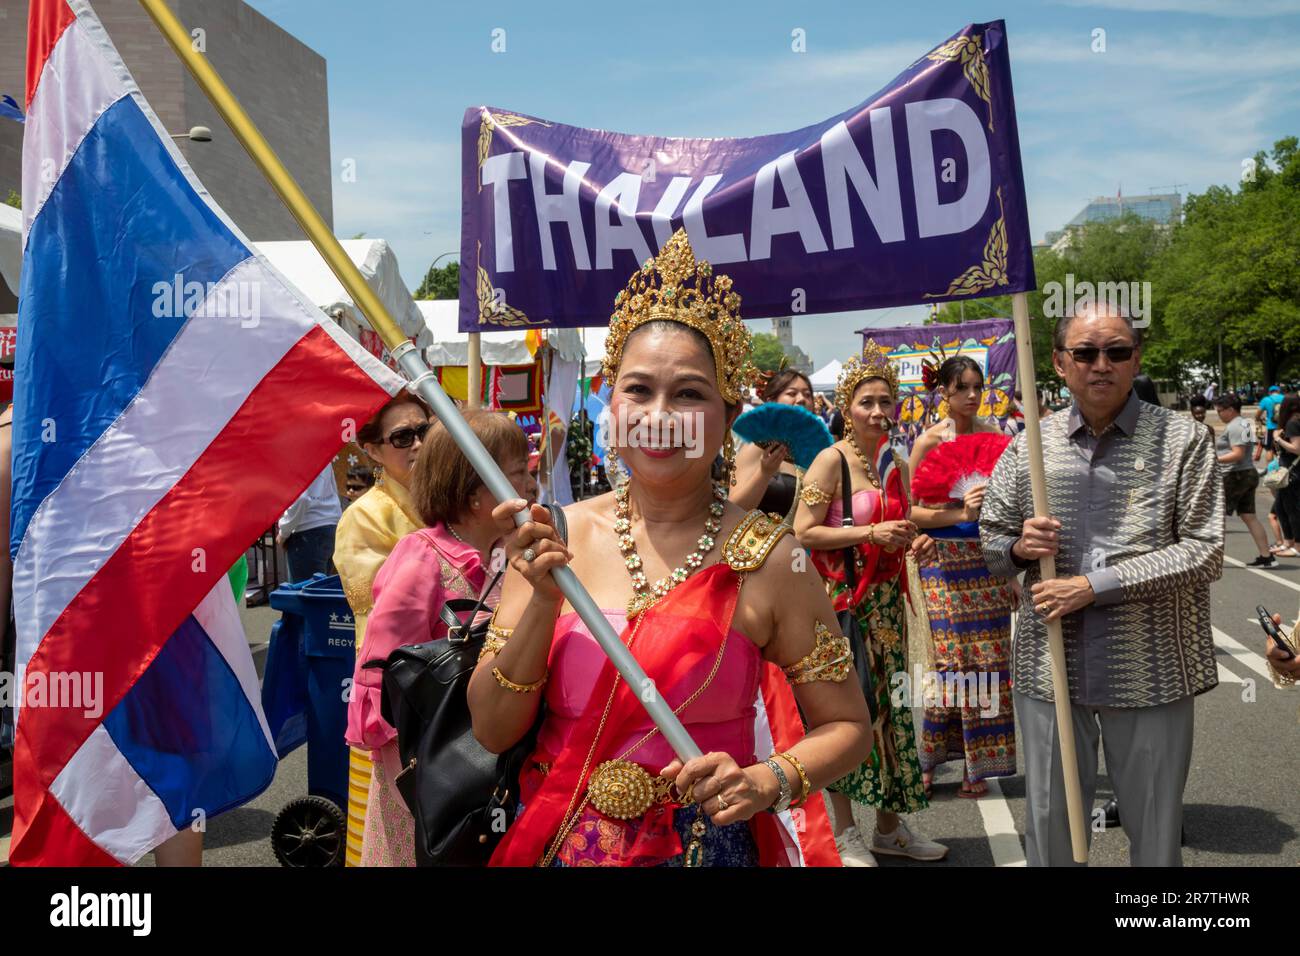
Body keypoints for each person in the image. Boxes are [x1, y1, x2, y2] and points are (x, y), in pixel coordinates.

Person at [470, 230, 871, 867]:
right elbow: (493, 729)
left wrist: (766, 780)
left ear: (726, 413)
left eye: (688, 393)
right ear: (612, 406)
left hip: (706, 848)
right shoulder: (552, 539)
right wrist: (543, 603)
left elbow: (848, 729)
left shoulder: (770, 557)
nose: (660, 414)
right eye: (637, 390)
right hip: (556, 838)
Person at [980, 303, 1223, 867]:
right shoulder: (1029, 446)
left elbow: (1205, 551)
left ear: (1136, 360)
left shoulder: (1182, 439)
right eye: (1085, 353)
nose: (1101, 364)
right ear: (1062, 364)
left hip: (1151, 665)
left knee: (1156, 834)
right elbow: (991, 540)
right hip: (1050, 665)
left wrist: (1094, 586)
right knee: (1049, 828)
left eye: (1116, 351)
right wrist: (1019, 547)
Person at [345, 411, 536, 866]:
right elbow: (383, 677)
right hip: (428, 771)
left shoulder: (505, 555)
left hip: (491, 759)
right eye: (516, 475)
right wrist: (411, 774)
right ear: (474, 495)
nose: (530, 486)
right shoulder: (422, 558)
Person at [794, 341, 946, 867]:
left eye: (887, 401)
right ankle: (843, 832)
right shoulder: (828, 460)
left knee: (893, 712)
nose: (879, 412)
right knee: (844, 715)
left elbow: (903, 526)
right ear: (847, 406)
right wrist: (869, 531)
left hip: (887, 606)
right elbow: (803, 532)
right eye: (867, 402)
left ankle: (889, 826)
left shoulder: (895, 463)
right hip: (841, 607)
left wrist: (912, 539)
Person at [907, 356, 1016, 799]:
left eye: (977, 386)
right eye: (962, 387)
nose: (972, 395)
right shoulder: (928, 441)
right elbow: (908, 510)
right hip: (941, 561)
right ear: (945, 392)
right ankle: (931, 757)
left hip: (987, 561)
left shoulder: (997, 439)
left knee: (988, 665)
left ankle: (980, 763)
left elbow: (1013, 511)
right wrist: (960, 512)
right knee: (949, 664)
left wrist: (1011, 569)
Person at [334, 392, 431, 867]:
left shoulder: (450, 495)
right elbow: (385, 612)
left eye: (425, 430)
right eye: (402, 437)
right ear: (371, 451)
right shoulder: (364, 516)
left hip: (459, 681)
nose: (418, 443)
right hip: (398, 686)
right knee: (398, 820)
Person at [732, 368, 816, 520]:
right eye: (792, 393)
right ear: (772, 403)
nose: (802, 399)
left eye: (807, 394)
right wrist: (764, 474)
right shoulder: (758, 447)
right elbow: (733, 509)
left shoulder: (818, 451)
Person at [1213, 394, 1275, 568]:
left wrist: (1213, 459)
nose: (1219, 415)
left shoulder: (1235, 426)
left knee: (1216, 518)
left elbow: (1237, 454)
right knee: (1249, 516)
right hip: (1247, 473)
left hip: (1235, 475)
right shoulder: (1245, 423)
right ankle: (1266, 556)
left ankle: (1212, 558)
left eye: (1220, 411)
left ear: (1230, 409)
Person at [278, 463, 343, 582]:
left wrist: (284, 531)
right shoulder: (322, 449)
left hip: (307, 530)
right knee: (321, 592)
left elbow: (301, 498)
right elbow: (333, 488)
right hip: (330, 525)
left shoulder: (296, 452)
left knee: (307, 595)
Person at [1270, 395, 1300, 558]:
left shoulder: (1293, 423)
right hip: (1287, 471)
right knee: (1281, 508)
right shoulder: (1292, 422)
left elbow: (1297, 448)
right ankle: (1288, 542)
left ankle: (1297, 546)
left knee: (1291, 509)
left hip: (1292, 472)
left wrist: (1277, 439)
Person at [1257, 385, 1284, 467]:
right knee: (1284, 448)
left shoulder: (1266, 399)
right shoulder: (1284, 398)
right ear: (1279, 391)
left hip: (1270, 427)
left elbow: (1258, 413)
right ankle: (1283, 468)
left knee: (1269, 449)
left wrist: (1259, 419)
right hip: (1283, 428)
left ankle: (1270, 469)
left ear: (1269, 392)